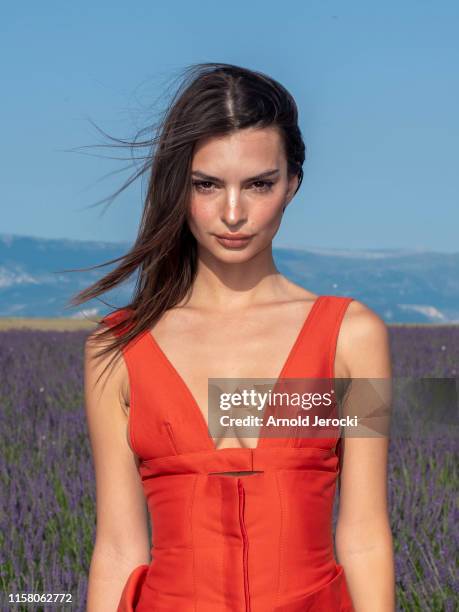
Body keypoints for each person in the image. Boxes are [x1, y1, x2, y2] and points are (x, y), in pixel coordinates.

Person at [78, 63, 395, 611]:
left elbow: (364, 535)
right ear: (179, 185)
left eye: (259, 184)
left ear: (292, 183)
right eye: (206, 184)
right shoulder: (116, 350)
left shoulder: (352, 337)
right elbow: (118, 547)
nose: (232, 213)